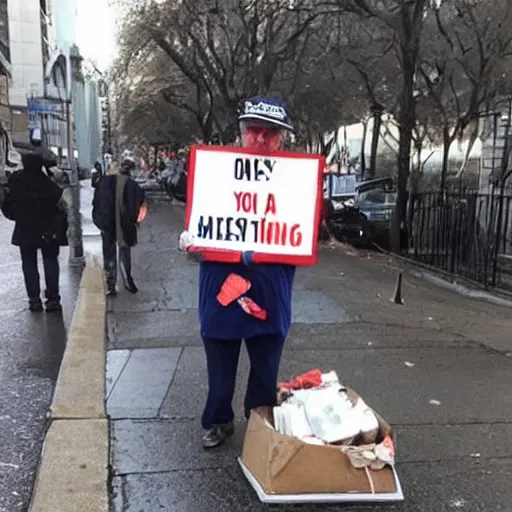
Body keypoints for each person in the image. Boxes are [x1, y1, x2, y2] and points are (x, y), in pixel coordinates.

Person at [180, 97, 296, 449]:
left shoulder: (295, 181)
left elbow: (300, 235)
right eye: (253, 130)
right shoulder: (217, 176)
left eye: (269, 133)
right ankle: (219, 420)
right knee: (219, 366)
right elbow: (204, 227)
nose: (260, 139)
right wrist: (191, 241)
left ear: (281, 137)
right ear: (242, 132)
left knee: (265, 367)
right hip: (221, 290)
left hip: (270, 290)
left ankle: (260, 424)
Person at [1, 152, 68, 312]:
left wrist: (15, 215)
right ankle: (53, 299)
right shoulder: (47, 183)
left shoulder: (16, 182)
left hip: (24, 229)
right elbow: (62, 205)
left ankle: (34, 300)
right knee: (50, 261)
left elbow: (5, 203)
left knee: (29, 264)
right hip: (48, 229)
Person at [93, 158, 146, 296]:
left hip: (107, 224)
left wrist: (99, 222)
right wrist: (136, 221)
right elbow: (142, 205)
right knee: (125, 251)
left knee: (109, 253)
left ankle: (110, 284)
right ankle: (127, 280)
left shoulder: (102, 184)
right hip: (126, 224)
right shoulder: (133, 185)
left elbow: (96, 205)